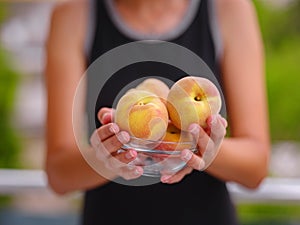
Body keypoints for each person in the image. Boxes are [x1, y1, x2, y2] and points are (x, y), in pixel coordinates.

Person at [45, 0, 270, 224]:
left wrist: (202, 149)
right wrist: (105, 158)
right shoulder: (75, 14)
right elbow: (58, 174)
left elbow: (256, 169)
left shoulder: (228, 8)